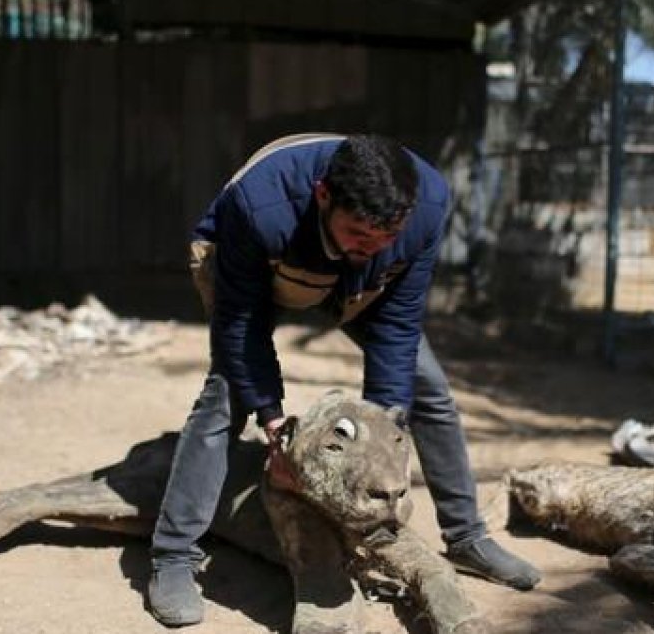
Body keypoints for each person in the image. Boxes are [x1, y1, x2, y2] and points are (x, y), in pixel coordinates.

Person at [147, 133, 541, 626]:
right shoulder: (258, 205)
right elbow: (243, 328)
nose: (371, 244)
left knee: (429, 389)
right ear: (323, 195)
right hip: (257, 263)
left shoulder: (427, 207)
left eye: (384, 236)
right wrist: (274, 428)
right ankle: (174, 555)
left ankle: (467, 537)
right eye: (359, 233)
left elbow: (397, 325)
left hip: (357, 283)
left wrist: (383, 437)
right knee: (227, 395)